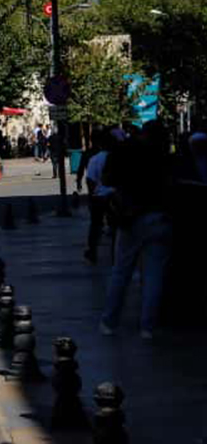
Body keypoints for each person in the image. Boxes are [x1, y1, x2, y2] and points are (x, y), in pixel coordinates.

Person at [100, 120, 174, 340]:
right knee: (154, 275)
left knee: (121, 271)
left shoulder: (124, 150)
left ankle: (109, 322)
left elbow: (107, 179)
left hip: (131, 217)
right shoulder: (163, 154)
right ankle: (147, 327)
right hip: (159, 217)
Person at [80, 129, 113, 264]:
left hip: (99, 197)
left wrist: (91, 195)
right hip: (114, 196)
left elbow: (90, 180)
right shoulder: (116, 157)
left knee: (95, 225)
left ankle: (92, 250)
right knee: (115, 226)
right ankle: (115, 253)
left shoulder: (94, 159)